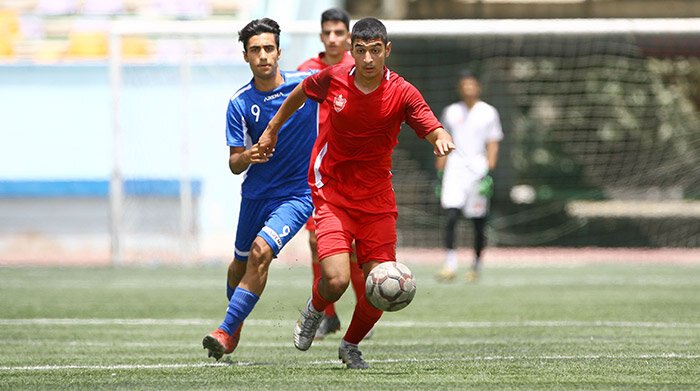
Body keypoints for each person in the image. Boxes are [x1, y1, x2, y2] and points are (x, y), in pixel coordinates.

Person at [257, 17, 455, 369]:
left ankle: (350, 344)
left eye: (375, 51)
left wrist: (440, 138)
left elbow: (428, 122)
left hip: (377, 200)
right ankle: (316, 310)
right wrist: (272, 129)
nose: (367, 59)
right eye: (360, 51)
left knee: (379, 286)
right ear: (352, 50)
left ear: (386, 51)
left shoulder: (402, 91)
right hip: (332, 191)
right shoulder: (333, 79)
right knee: (335, 279)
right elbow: (301, 92)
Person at [201, 17, 318, 361]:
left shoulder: (306, 86)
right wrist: (251, 154)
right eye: (256, 50)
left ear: (279, 52)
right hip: (255, 195)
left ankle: (224, 330)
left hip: (297, 195)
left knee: (260, 252)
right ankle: (234, 328)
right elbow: (235, 163)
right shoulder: (239, 103)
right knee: (238, 266)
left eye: (269, 48)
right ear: (245, 57)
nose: (263, 55)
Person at [297, 7, 366, 340]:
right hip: (317, 171)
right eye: (329, 33)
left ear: (349, 37)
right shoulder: (308, 71)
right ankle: (328, 315)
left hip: (353, 168)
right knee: (316, 242)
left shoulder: (360, 70)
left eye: (340, 33)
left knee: (353, 247)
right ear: (322, 36)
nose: (334, 38)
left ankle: (362, 309)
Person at [434, 69, 503, 283]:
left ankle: (476, 264)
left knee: (477, 221)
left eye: (472, 84)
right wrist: (440, 170)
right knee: (451, 216)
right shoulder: (451, 111)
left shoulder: (488, 112)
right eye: (464, 84)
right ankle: (450, 263)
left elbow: (493, 142)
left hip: (477, 171)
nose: (468, 88)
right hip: (454, 169)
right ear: (460, 88)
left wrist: (489, 171)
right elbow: (443, 139)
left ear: (478, 87)